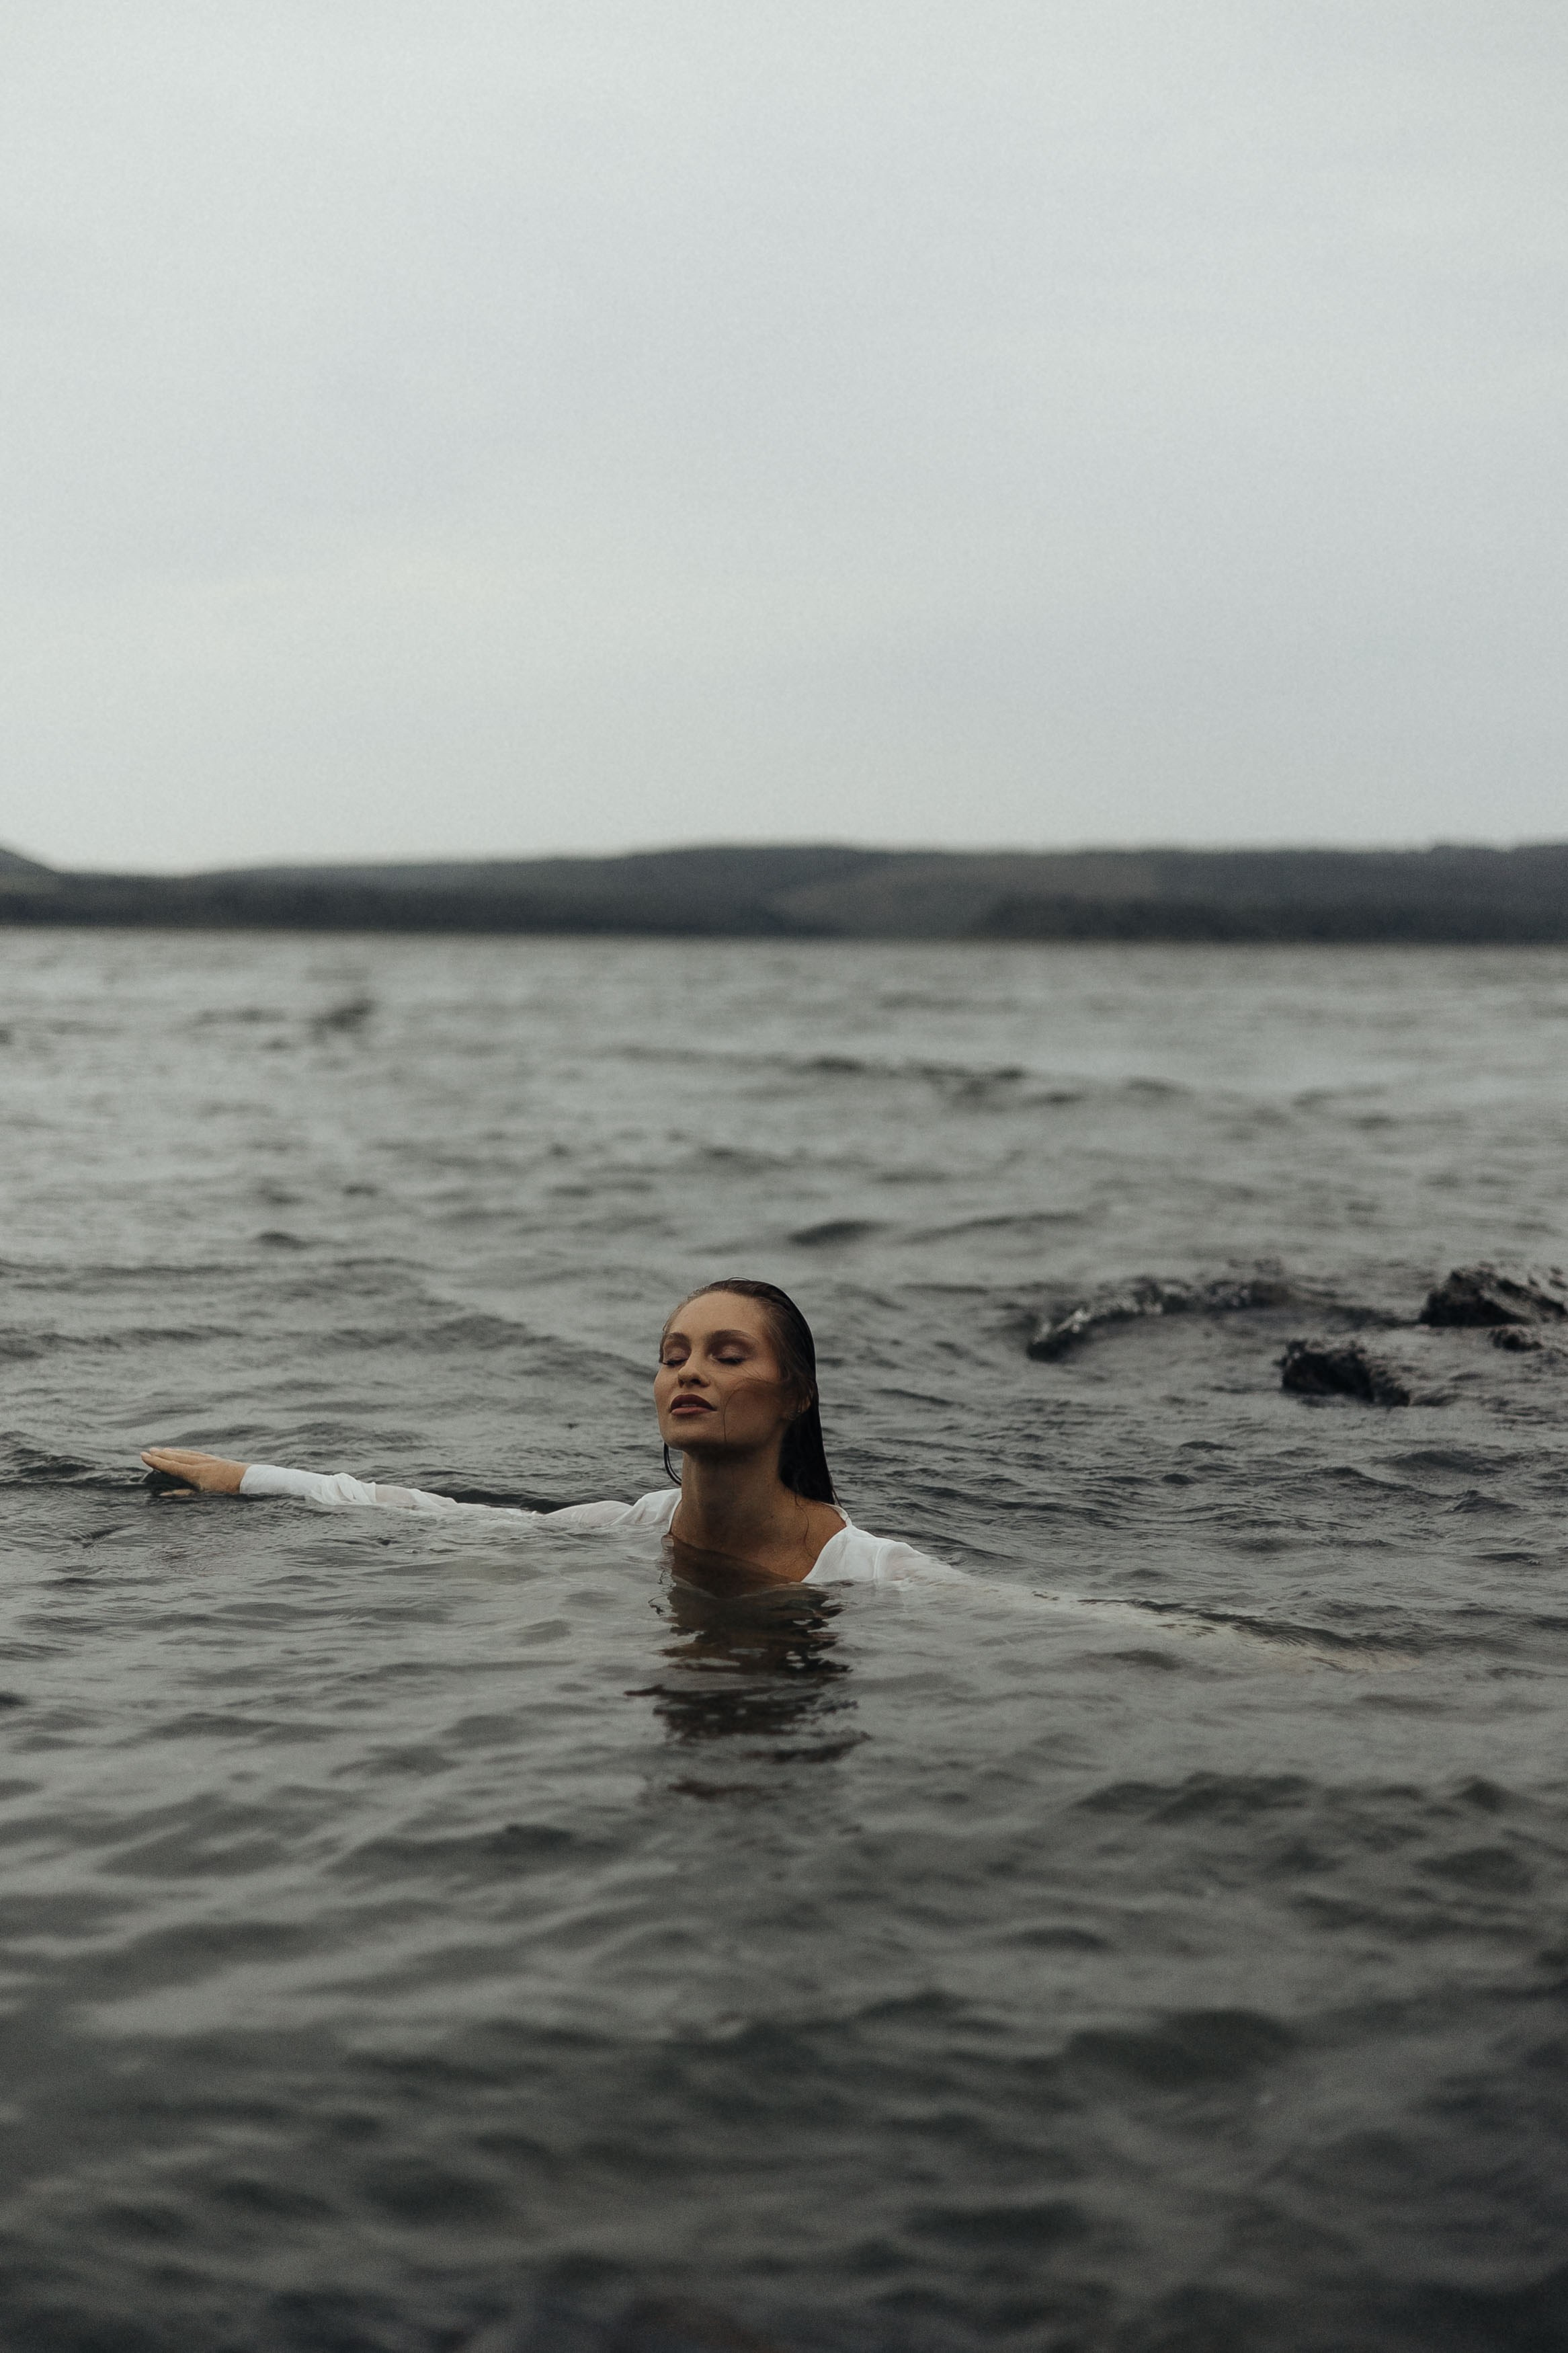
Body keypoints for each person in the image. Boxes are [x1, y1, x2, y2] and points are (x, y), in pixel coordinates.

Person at [140, 1278, 964, 1589]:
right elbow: (440, 1514)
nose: (689, 1372)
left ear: (795, 1394)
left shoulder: (871, 1573)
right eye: (673, 1355)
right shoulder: (639, 1525)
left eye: (727, 1354)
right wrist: (249, 1477)